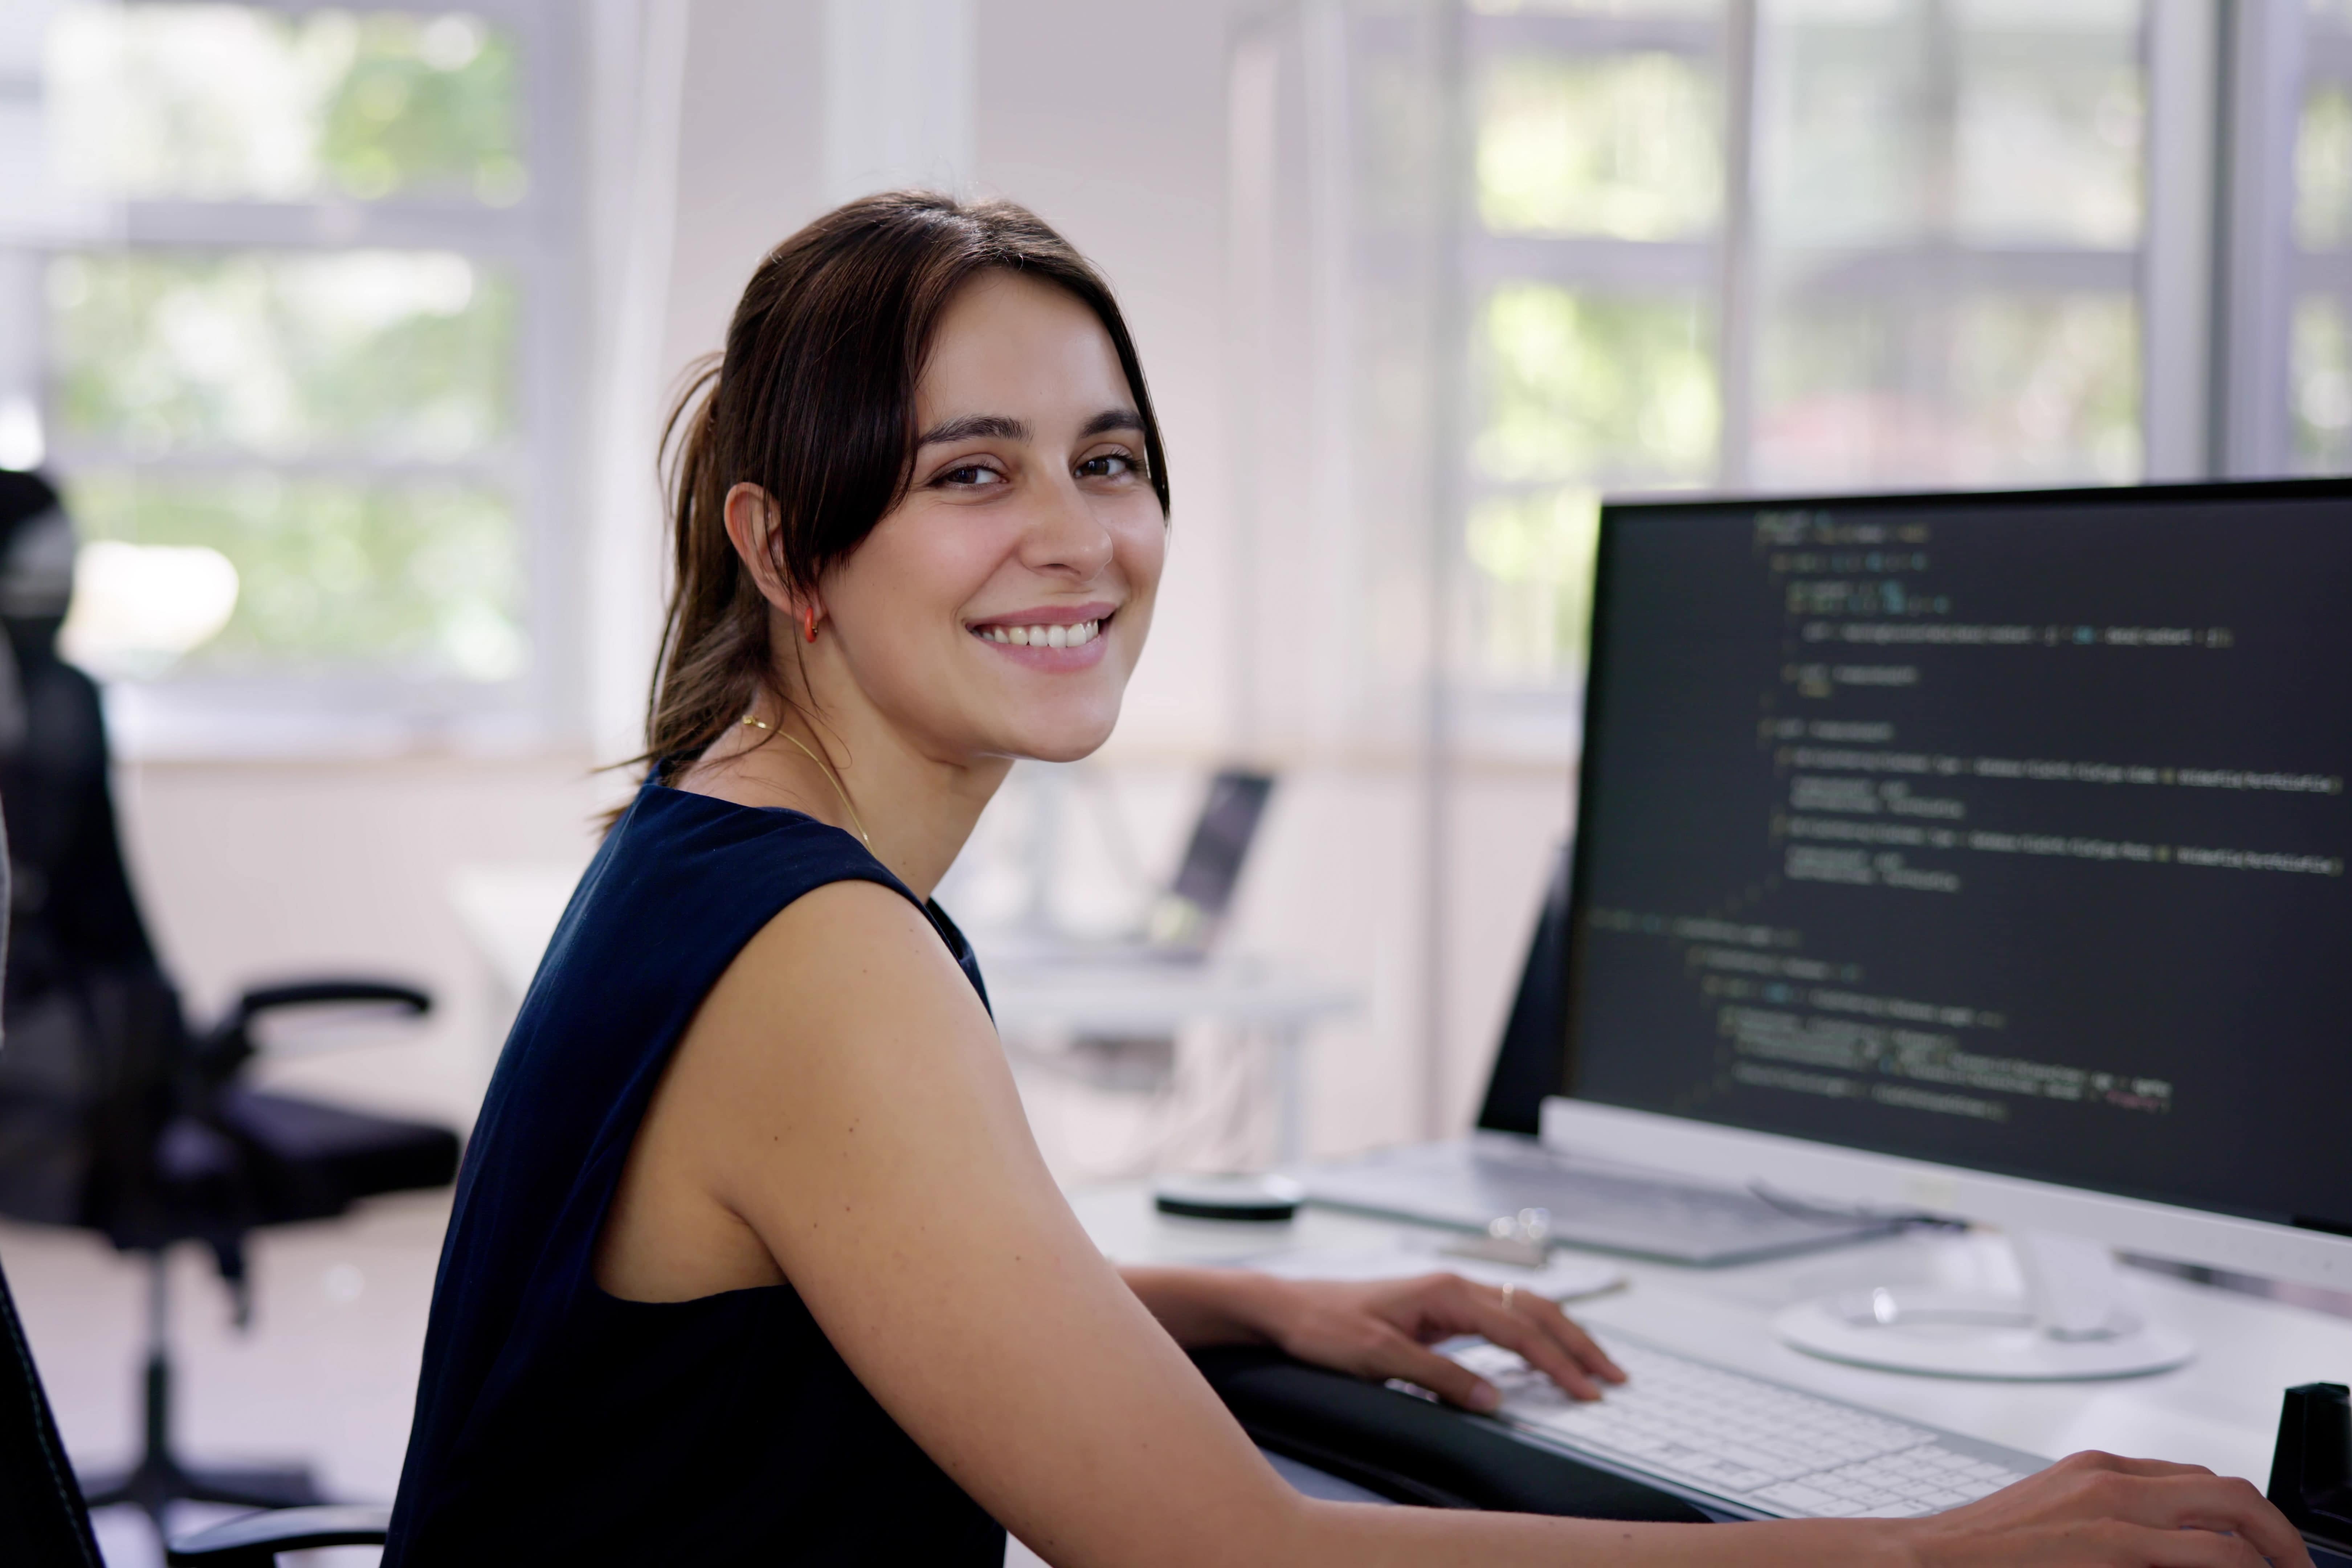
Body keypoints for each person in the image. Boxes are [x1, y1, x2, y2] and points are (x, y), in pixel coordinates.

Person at [383, 193, 2308, 1567]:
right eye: (974, 474)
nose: (1077, 537)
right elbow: (1228, 1556)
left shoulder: (710, 842)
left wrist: (1245, 1303)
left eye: (1110, 458)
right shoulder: (823, 956)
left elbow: (791, 1318)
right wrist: (1923, 1553)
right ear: (785, 544)